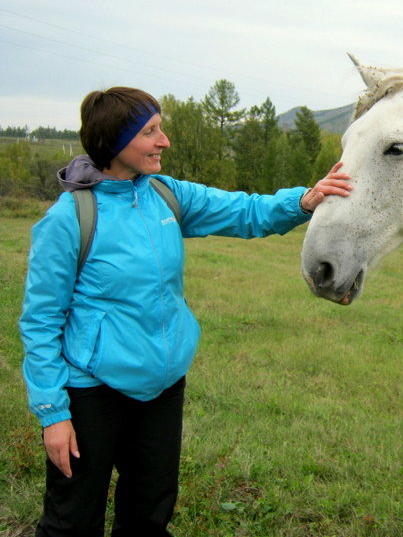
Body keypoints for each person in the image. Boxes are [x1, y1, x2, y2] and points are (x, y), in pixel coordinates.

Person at [18, 87, 352, 536]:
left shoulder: (165, 195)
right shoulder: (69, 218)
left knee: (149, 516)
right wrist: (53, 414)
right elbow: (40, 323)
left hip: (162, 385)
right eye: (150, 131)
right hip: (91, 394)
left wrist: (304, 201)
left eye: (162, 128)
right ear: (114, 141)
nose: (165, 141)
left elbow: (243, 210)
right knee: (71, 522)